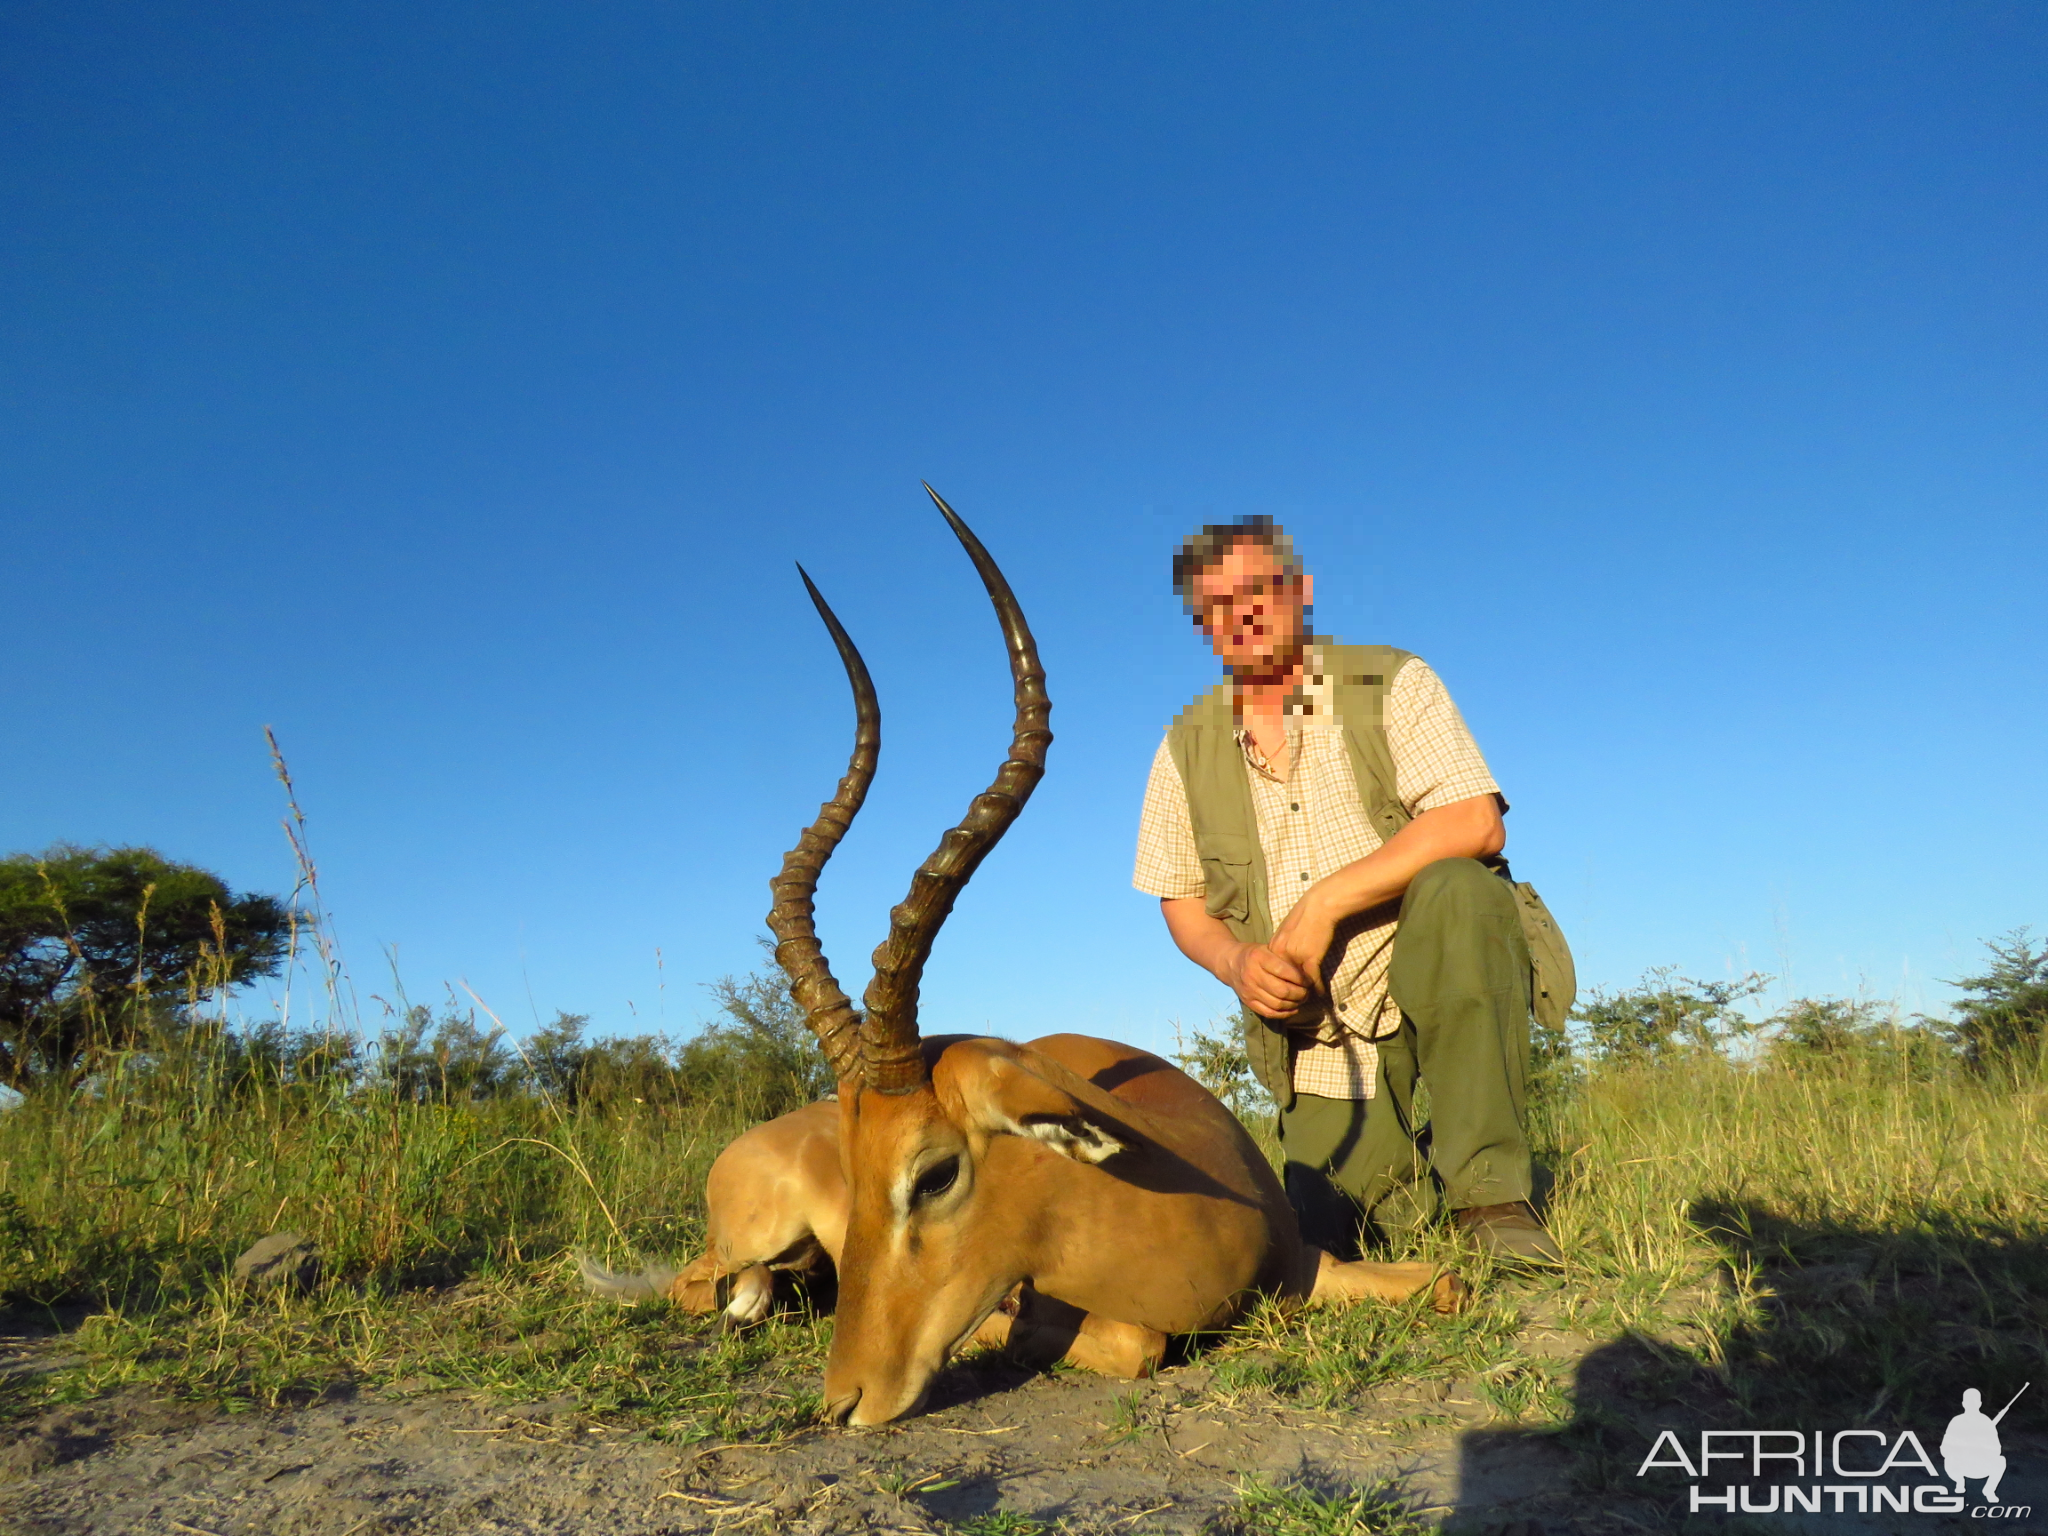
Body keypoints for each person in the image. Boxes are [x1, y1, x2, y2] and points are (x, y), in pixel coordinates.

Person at [1133, 515, 1558, 1263]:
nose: (1245, 614)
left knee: (1462, 889)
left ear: (1298, 591)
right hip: (1317, 1021)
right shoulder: (1183, 747)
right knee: (1345, 1235)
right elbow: (1182, 900)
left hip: (1426, 960)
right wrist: (1236, 965)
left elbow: (1476, 821)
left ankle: (1492, 1197)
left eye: (1259, 590)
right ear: (1203, 625)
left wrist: (1322, 903)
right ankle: (1416, 1168)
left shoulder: (1392, 679)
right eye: (1219, 606)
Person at [1941, 1388, 2009, 1503]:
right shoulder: (1956, 1421)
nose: (1971, 1404)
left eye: (1974, 1401)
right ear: (1963, 1404)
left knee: (2001, 1460)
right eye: (1968, 1401)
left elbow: (1997, 1449)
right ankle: (1959, 1481)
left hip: (1980, 1465)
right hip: (1960, 1465)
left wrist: (1981, 1447)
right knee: (1949, 1459)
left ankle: (1989, 1490)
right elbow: (1945, 1448)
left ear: (1980, 1404)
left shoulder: (1986, 1421)